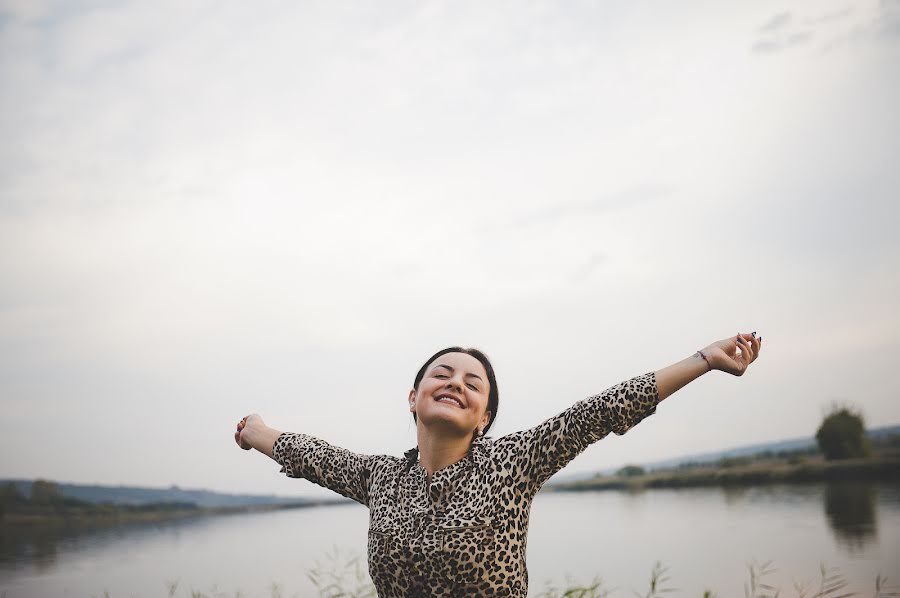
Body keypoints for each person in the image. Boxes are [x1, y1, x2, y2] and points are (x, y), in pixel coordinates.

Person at [235, 332, 762, 597]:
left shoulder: (514, 463)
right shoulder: (383, 479)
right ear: (414, 397)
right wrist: (257, 432)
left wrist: (705, 360)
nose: (456, 384)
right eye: (442, 374)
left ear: (484, 417)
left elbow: (602, 410)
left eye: (473, 383)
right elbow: (316, 456)